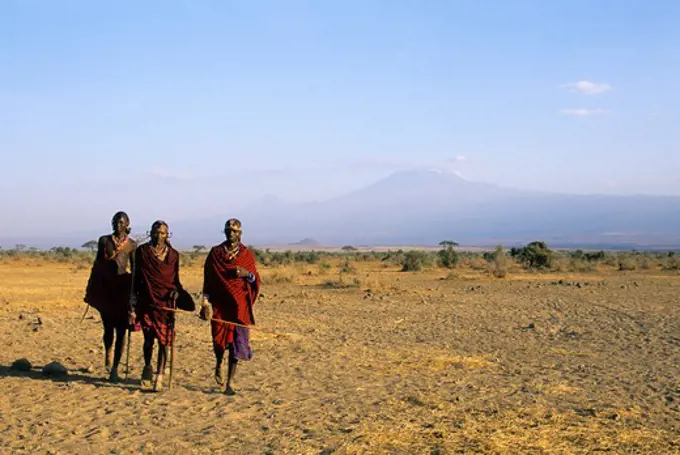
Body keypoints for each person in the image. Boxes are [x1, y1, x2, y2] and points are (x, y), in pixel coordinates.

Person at [200, 218, 261, 395]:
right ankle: (218, 362)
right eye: (228, 230)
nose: (231, 233)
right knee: (219, 343)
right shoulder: (216, 253)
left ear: (240, 233)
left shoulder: (246, 254)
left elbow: (255, 279)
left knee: (235, 345)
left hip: (239, 307)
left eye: (234, 231)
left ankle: (230, 382)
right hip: (220, 306)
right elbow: (208, 281)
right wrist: (205, 302)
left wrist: (246, 273)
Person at [131, 220, 186, 392]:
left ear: (167, 235)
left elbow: (175, 280)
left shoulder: (174, 255)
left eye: (162, 233)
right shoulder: (142, 252)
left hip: (166, 304)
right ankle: (147, 366)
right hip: (147, 302)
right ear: (150, 233)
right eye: (156, 232)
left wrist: (177, 293)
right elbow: (136, 278)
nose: (159, 236)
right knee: (148, 341)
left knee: (164, 342)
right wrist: (132, 302)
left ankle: (160, 375)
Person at [84, 211, 137, 382]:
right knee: (108, 328)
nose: (117, 225)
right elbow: (98, 264)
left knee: (121, 330)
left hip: (122, 289)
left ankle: (115, 368)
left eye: (121, 222)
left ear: (127, 224)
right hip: (107, 290)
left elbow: (135, 271)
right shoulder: (104, 241)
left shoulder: (132, 245)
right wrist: (92, 287)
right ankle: (108, 351)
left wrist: (134, 295)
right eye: (115, 221)